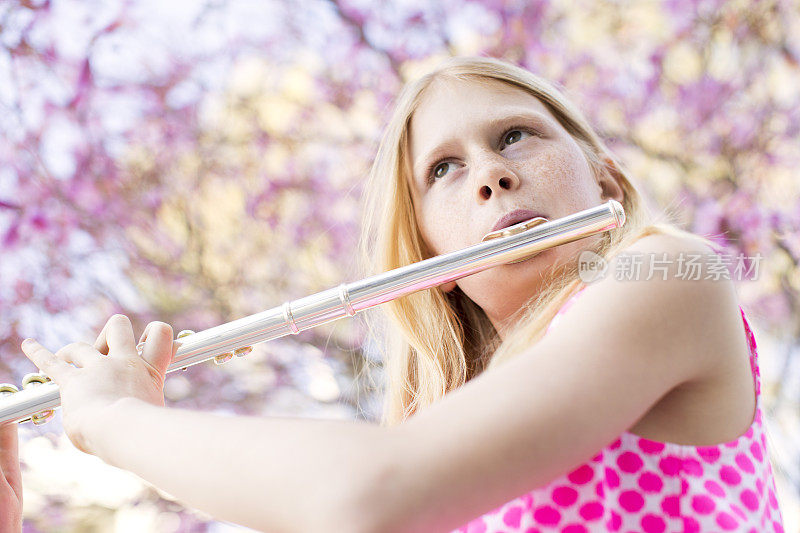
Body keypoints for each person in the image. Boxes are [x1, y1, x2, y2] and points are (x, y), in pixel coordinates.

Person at [1, 55, 785, 532]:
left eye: (515, 135)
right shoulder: (449, 439)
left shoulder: (671, 275)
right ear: (428, 245)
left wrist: (113, 419)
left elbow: (369, 493)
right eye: (443, 170)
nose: (490, 174)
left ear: (605, 175)